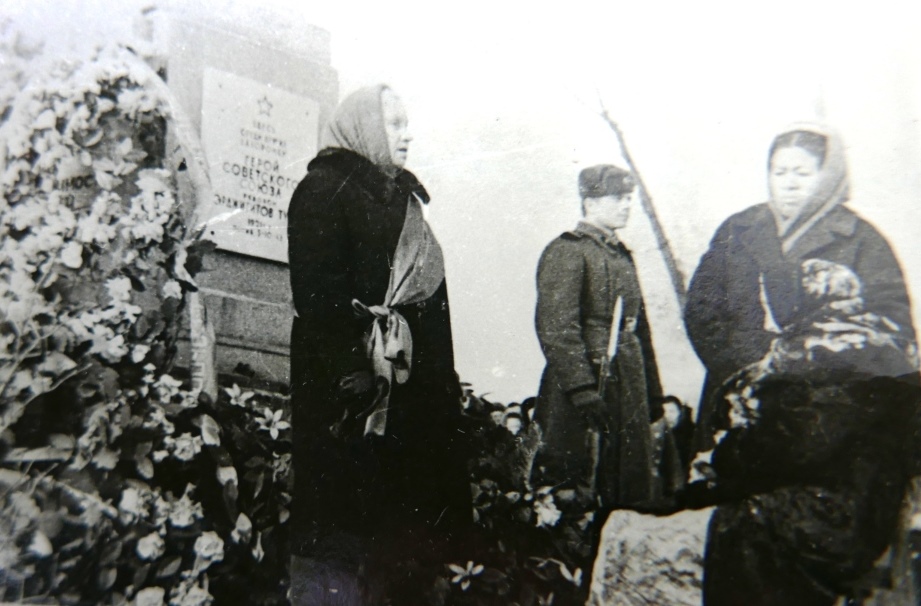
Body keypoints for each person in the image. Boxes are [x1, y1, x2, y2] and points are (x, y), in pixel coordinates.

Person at [683, 122, 921, 605]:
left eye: (802, 173)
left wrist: (810, 363)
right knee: (733, 523)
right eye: (780, 171)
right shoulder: (740, 230)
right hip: (745, 403)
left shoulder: (861, 240)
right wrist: (757, 364)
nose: (789, 183)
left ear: (827, 178)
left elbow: (893, 328)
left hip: (832, 421)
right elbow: (704, 313)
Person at [286, 84, 470, 604]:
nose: (407, 134)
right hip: (346, 389)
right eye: (394, 123)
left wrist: (439, 384)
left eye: (406, 123)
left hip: (405, 388)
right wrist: (355, 373)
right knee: (339, 521)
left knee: (398, 525)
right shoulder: (322, 189)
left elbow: (430, 302)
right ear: (364, 126)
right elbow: (317, 294)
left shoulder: (407, 206)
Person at [530, 164, 666, 605]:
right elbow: (557, 327)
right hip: (581, 391)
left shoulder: (622, 256)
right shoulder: (567, 251)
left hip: (627, 385)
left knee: (625, 488)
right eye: (616, 197)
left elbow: (640, 332)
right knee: (576, 493)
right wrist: (583, 390)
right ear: (589, 201)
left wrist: (653, 398)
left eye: (629, 198)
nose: (626, 205)